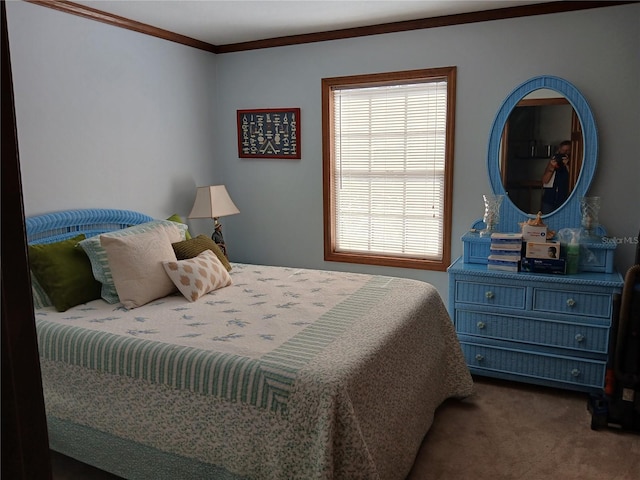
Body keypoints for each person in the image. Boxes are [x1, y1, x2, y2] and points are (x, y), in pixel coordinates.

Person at [541, 141, 571, 214]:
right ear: (559, 150)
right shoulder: (554, 161)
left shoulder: (573, 163)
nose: (565, 153)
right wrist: (552, 167)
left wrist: (567, 164)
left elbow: (574, 179)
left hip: (565, 199)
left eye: (567, 150)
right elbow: (545, 181)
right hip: (549, 198)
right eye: (563, 150)